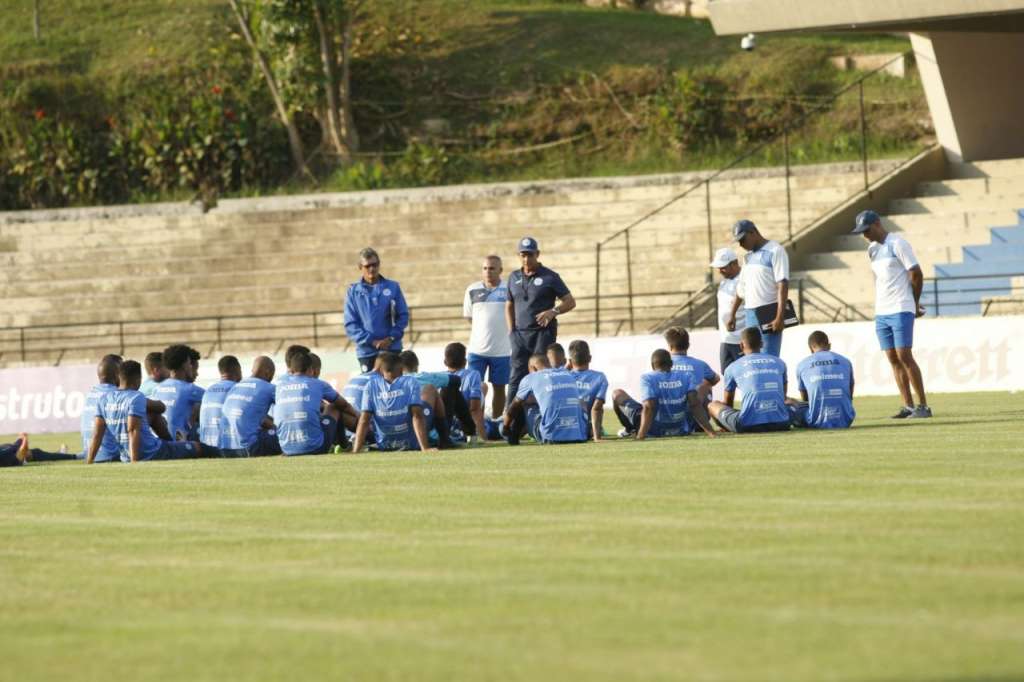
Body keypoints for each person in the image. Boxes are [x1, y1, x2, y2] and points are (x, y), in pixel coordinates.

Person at [852, 209, 931, 418]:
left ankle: (923, 406)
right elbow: (878, 278)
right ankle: (908, 406)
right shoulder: (872, 249)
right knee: (892, 358)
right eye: (862, 232)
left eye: (867, 230)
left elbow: (916, 273)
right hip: (882, 310)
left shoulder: (898, 244)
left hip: (900, 306)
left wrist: (914, 303)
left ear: (878, 224)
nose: (865, 235)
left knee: (904, 355)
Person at [88, 360, 213, 463]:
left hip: (125, 456)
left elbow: (97, 433)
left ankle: (174, 443)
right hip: (153, 451)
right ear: (138, 379)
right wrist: (135, 462)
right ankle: (227, 453)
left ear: (119, 378)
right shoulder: (136, 397)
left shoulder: (103, 399)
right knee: (198, 447)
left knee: (153, 415)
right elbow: (133, 430)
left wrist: (89, 461)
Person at [506, 236, 576, 405]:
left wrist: (553, 311)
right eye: (523, 255)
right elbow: (509, 304)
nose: (526, 259)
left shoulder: (550, 277)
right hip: (520, 335)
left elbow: (570, 301)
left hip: (542, 334)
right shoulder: (513, 277)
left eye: (530, 255)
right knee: (516, 375)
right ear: (519, 255)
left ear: (537, 254)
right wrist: (511, 331)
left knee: (541, 374)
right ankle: (509, 416)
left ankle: (542, 412)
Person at [612, 349, 716, 440]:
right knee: (705, 387)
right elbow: (694, 404)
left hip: (652, 429)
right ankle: (697, 428)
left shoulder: (647, 378)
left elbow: (649, 406)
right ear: (671, 364)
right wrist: (711, 432)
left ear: (652, 366)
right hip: (681, 429)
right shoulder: (687, 376)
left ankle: (630, 429)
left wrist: (641, 435)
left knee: (617, 393)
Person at [708, 327, 792, 433]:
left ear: (741, 345)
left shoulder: (732, 367)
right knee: (791, 401)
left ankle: (726, 428)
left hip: (748, 425)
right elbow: (783, 396)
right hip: (781, 423)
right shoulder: (779, 362)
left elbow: (728, 403)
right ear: (762, 344)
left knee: (712, 405)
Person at [726, 220, 789, 357]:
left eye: (743, 240)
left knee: (769, 356)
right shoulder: (748, 257)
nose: (741, 244)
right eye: (739, 241)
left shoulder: (775, 250)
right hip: (750, 313)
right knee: (751, 356)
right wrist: (732, 314)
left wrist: (780, 316)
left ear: (753, 232)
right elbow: (741, 288)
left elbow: (782, 283)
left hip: (768, 312)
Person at [274, 348, 352, 456]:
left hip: (286, 448)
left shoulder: (280, 386)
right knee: (333, 408)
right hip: (315, 448)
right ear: (311, 369)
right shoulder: (317, 384)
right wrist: (359, 416)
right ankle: (345, 446)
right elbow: (344, 405)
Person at [344, 247, 410, 373]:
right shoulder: (353, 292)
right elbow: (350, 324)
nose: (372, 269)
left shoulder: (393, 287)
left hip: (391, 348)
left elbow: (403, 315)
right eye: (367, 266)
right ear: (360, 267)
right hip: (367, 352)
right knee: (371, 388)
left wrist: (391, 338)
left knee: (394, 387)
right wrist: (372, 341)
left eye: (375, 264)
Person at [352, 352, 434, 452]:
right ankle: (446, 440)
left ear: (381, 370)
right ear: (401, 370)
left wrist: (355, 451)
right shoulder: (410, 382)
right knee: (430, 390)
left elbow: (364, 420)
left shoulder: (370, 385)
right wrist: (425, 448)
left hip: (384, 446)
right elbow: (417, 416)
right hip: (412, 444)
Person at [464, 255, 512, 417]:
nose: (488, 272)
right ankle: (476, 425)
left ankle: (496, 421)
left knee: (499, 388)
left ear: (500, 270)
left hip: (502, 351)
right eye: (485, 268)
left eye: (492, 268)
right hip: (477, 351)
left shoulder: (509, 289)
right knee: (474, 389)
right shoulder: (472, 289)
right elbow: (470, 318)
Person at [503, 354, 587, 445]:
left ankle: (514, 438)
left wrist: (505, 428)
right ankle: (586, 430)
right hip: (578, 435)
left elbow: (513, 408)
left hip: (551, 437)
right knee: (579, 401)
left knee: (523, 401)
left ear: (533, 368)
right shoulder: (567, 374)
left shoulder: (531, 377)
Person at [788, 330, 856, 429]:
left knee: (790, 406)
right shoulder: (846, 361)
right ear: (829, 345)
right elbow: (850, 391)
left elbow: (806, 399)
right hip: (846, 419)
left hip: (816, 421)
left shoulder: (802, 365)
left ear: (811, 349)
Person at [220, 356, 281, 457]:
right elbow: (288, 405)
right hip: (248, 448)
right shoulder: (269, 387)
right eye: (272, 376)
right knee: (290, 434)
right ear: (267, 372)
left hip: (225, 448)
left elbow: (250, 415)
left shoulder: (235, 386)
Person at [151, 344, 205, 440]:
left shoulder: (157, 388)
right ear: (185, 365)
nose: (191, 368)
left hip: (158, 440)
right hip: (178, 441)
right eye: (189, 364)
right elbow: (214, 399)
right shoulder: (190, 389)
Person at [79, 354, 124, 463]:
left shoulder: (89, 395)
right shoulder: (116, 395)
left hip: (90, 453)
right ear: (117, 375)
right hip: (110, 456)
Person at [710, 247, 747, 373]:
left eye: (723, 267)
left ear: (734, 263)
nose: (720, 270)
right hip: (726, 339)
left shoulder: (744, 279)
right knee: (727, 375)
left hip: (741, 340)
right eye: (718, 267)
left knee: (744, 375)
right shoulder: (724, 282)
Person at [443, 342, 486, 444]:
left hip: (446, 422)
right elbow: (474, 408)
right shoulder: (473, 374)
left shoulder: (440, 377)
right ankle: (479, 433)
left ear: (445, 362)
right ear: (465, 361)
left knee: (483, 387)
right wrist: (483, 437)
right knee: (482, 388)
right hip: (465, 421)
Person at [198, 355, 242, 450]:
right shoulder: (238, 389)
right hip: (228, 447)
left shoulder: (208, 390)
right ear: (238, 369)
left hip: (206, 446)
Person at [568, 340, 608, 441]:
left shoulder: (563, 376)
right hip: (586, 428)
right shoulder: (600, 377)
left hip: (565, 427)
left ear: (569, 361)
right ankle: (595, 431)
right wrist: (597, 438)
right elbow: (596, 408)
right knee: (599, 404)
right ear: (590, 358)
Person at [665, 327, 718, 401]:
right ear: (688, 345)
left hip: (670, 407)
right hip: (695, 408)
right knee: (706, 386)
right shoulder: (701, 364)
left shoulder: (662, 365)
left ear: (670, 347)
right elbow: (716, 379)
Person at [1, 434, 77, 467]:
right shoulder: (8, 457)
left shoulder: (7, 451)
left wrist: (22, 439)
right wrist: (24, 439)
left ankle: (62, 454)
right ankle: (74, 456)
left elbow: (17, 447)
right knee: (37, 453)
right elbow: (21, 452)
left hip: (15, 452)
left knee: (36, 453)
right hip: (18, 456)